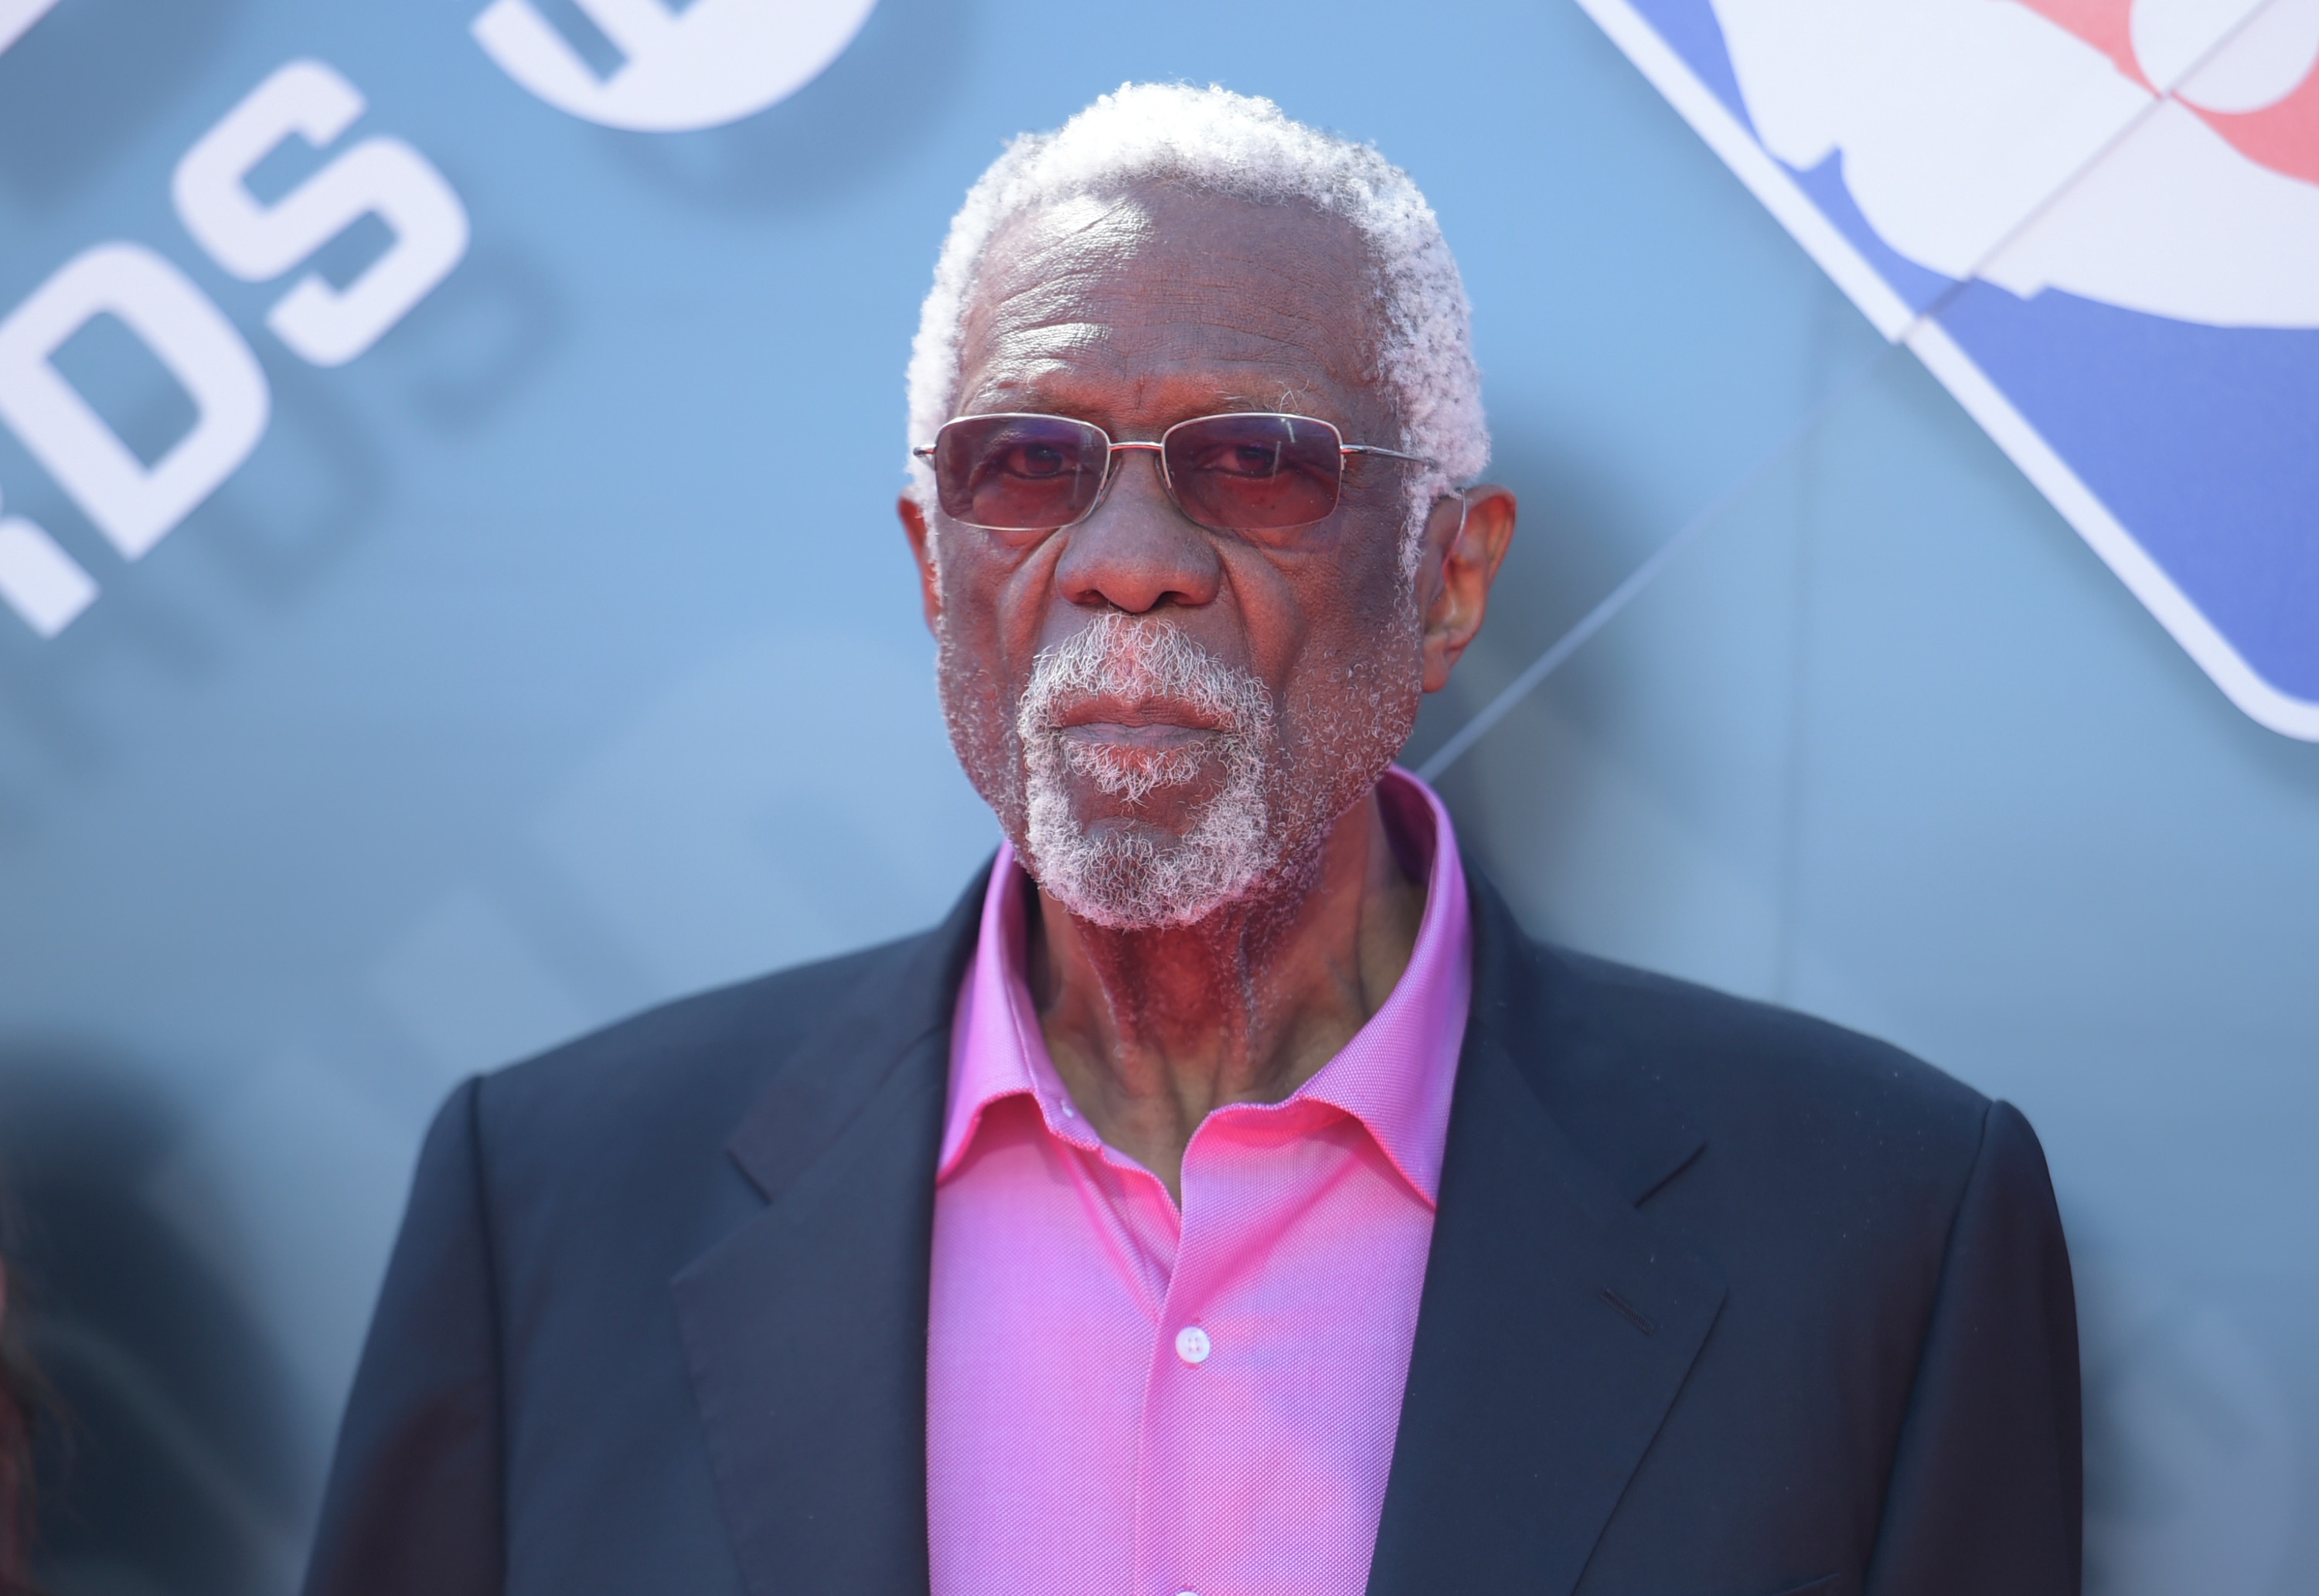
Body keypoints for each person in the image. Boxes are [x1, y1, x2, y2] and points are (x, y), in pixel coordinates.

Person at [302, 85, 2079, 1596]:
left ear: (1449, 573)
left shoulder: (1879, 1232)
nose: (1124, 556)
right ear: (937, 568)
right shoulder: (548, 1208)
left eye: (1252, 461)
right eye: (1026, 463)